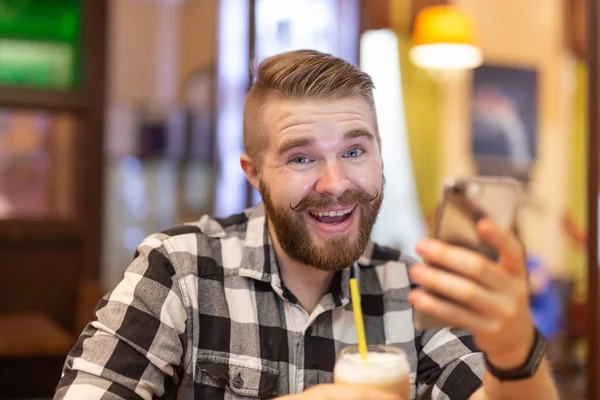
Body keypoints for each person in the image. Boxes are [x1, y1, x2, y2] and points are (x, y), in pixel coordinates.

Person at [54, 50, 557, 400]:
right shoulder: (180, 268)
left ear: (381, 158)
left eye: (355, 151)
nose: (336, 183)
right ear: (254, 174)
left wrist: (515, 350)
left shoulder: (414, 289)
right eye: (300, 158)